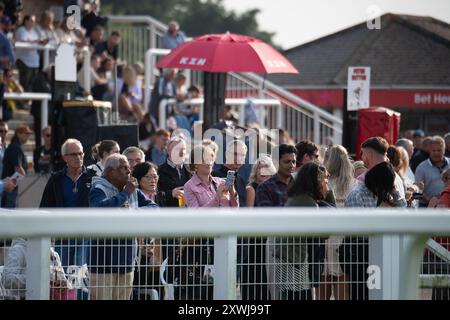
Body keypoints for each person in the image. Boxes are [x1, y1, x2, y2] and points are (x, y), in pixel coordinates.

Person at [88, 154, 158, 300]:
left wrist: (134, 212)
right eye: (123, 167)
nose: (128, 171)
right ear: (110, 171)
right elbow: (100, 210)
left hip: (127, 262)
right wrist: (125, 193)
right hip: (103, 264)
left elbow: (154, 207)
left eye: (128, 167)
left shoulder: (134, 191)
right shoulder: (98, 189)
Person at [39, 138, 96, 299]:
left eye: (80, 153)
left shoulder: (93, 177)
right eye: (73, 154)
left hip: (86, 233)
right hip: (63, 234)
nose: (78, 157)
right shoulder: (56, 179)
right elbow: (45, 206)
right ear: (65, 157)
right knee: (62, 274)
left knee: (81, 271)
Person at [344, 162, 405, 300]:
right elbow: (356, 230)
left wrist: (395, 193)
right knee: (361, 293)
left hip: (381, 254)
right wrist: (380, 213)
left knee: (381, 293)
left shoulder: (384, 193)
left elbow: (404, 215)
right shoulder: (357, 195)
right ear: (377, 182)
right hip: (359, 255)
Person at [271, 163, 330, 300]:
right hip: (296, 259)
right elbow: (323, 233)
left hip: (287, 256)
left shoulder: (297, 197)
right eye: (324, 179)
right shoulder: (307, 202)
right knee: (300, 295)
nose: (326, 183)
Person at [131, 161, 165, 300]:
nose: (153, 180)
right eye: (148, 177)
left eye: (155, 176)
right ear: (138, 179)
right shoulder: (134, 196)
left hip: (158, 251)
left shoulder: (161, 197)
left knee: (157, 288)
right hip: (139, 252)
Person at [2, 124, 32, 208]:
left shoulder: (14, 146)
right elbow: (18, 169)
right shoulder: (15, 147)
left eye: (28, 134)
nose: (28, 136)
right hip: (9, 188)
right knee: (9, 215)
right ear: (18, 134)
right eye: (26, 133)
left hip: (9, 187)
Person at [415, 136, 450, 207]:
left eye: (439, 150)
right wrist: (432, 201)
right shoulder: (421, 167)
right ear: (429, 150)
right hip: (426, 206)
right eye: (434, 150)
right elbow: (418, 188)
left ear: (444, 150)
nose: (436, 153)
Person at [157, 136, 191, 207]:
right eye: (178, 149)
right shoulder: (158, 171)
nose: (182, 152)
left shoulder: (191, 170)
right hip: (169, 214)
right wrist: (171, 193)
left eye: (184, 149)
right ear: (168, 151)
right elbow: (153, 195)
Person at [212, 140, 248, 206]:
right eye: (235, 154)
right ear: (226, 154)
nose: (238, 158)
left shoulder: (241, 180)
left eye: (242, 155)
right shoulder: (214, 176)